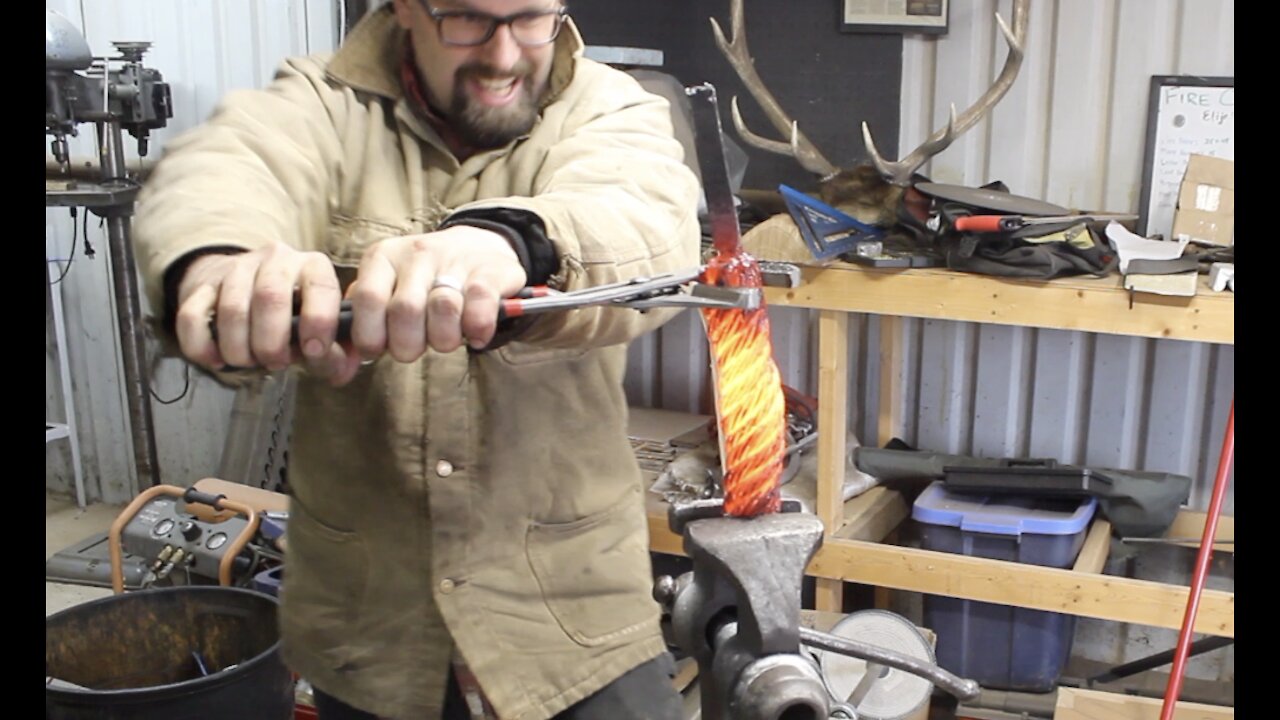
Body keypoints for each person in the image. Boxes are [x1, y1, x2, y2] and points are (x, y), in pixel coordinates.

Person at [132, 0, 702, 718]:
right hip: (370, 628)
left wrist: (511, 243)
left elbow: (644, 214)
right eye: (466, 19)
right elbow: (222, 175)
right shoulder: (319, 105)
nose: (503, 55)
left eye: (531, 18)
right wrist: (216, 263)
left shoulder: (609, 106)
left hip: (572, 617)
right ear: (403, 7)